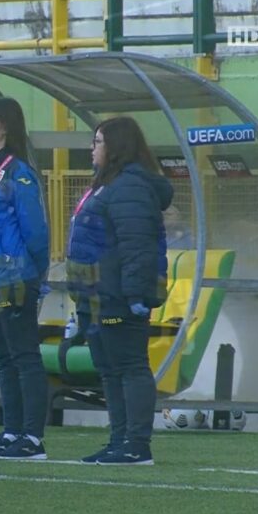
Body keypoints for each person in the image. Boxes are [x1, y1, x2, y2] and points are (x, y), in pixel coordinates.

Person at [67, 116, 173, 466]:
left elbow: (137, 246)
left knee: (130, 366)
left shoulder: (129, 187)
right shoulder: (105, 184)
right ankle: (118, 440)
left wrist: (135, 296)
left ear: (116, 146)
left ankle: (137, 444)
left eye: (98, 142)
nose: (92, 148)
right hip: (96, 294)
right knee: (110, 370)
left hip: (118, 294)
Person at [0, 97, 51, 460]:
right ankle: (11, 431)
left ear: (6, 126)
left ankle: (32, 437)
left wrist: (34, 273)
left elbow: (36, 231)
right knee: (4, 360)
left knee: (24, 358)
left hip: (13, 278)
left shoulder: (19, 172)